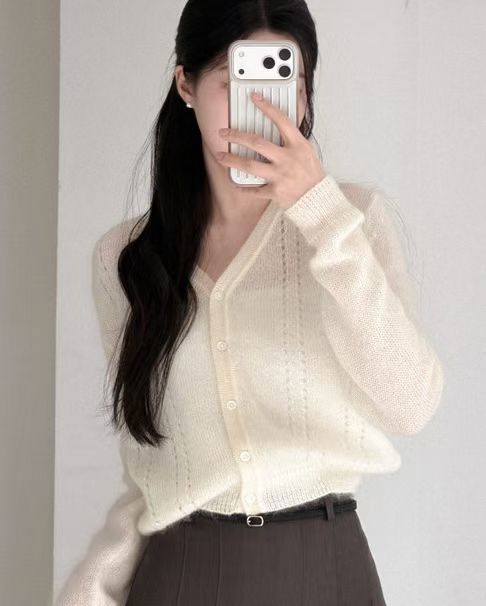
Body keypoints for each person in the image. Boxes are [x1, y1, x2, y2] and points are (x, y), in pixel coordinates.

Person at [54, 1, 445, 605]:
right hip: (179, 574)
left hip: (324, 571)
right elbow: (153, 470)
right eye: (235, 82)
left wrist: (321, 216)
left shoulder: (353, 224)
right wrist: (93, 586)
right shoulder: (126, 260)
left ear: (305, 94)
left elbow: (410, 405)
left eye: (284, 82)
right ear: (185, 85)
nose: (260, 108)